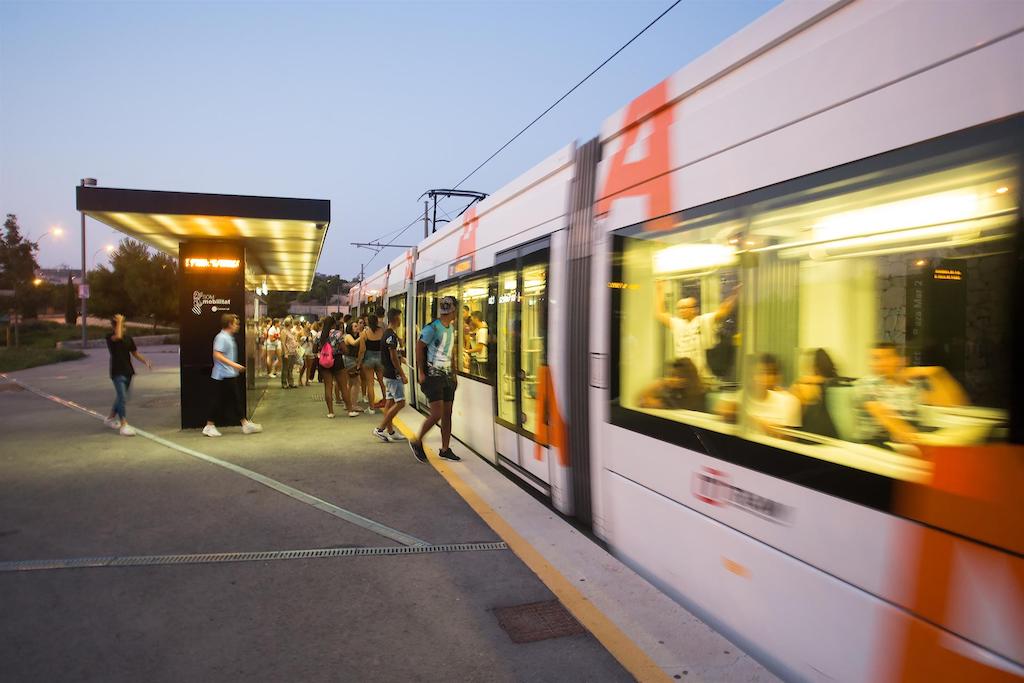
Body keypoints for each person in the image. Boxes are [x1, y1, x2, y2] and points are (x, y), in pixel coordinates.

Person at [854, 343, 968, 446]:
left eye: (886, 357)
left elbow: (950, 404)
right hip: (878, 440)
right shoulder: (867, 383)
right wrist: (918, 440)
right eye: (875, 358)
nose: (878, 363)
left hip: (911, 437)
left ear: (901, 360)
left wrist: (936, 372)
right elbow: (885, 418)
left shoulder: (915, 384)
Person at [409, 296, 462, 463]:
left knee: (447, 413)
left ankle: (445, 449)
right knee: (437, 413)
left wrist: (453, 372)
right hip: (433, 376)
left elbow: (450, 352)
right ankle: (417, 441)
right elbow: (419, 346)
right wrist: (421, 372)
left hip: (447, 376)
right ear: (452, 310)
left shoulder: (450, 328)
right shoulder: (432, 328)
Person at [655, 280, 739, 380]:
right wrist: (659, 289)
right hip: (683, 376)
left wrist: (735, 294)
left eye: (685, 307)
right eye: (680, 308)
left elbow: (723, 310)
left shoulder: (704, 320)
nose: (682, 311)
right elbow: (660, 314)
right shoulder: (677, 324)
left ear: (694, 309)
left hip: (703, 377)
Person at [203, 313, 262, 437]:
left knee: (234, 400)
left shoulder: (228, 337)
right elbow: (217, 355)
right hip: (221, 375)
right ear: (229, 324)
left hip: (228, 374)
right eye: (236, 323)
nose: (238, 326)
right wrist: (235, 365)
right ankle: (209, 426)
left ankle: (245, 424)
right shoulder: (221, 337)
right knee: (219, 401)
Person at [104, 314, 153, 437]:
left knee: (122, 397)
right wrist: (119, 320)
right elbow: (118, 336)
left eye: (123, 325)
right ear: (115, 327)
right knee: (122, 397)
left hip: (128, 371)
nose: (123, 327)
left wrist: (145, 361)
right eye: (121, 325)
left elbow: (135, 353)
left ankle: (109, 418)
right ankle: (124, 425)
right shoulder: (110, 337)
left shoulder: (128, 339)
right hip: (117, 372)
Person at [374, 308, 408, 442]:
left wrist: (400, 357)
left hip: (386, 374)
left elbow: (393, 355)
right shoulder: (391, 337)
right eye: (400, 318)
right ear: (395, 319)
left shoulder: (387, 334)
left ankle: (391, 431)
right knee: (401, 403)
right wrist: (402, 374)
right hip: (393, 375)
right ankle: (380, 429)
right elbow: (393, 358)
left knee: (390, 402)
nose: (401, 320)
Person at [790, 348, 840, 438]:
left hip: (811, 435)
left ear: (815, 366)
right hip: (830, 435)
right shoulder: (835, 383)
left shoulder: (804, 385)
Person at [319, 316, 358, 418]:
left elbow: (315, 349)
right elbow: (344, 349)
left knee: (328, 387)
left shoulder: (320, 335)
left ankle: (331, 412)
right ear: (333, 324)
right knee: (343, 386)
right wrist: (343, 350)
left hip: (324, 361)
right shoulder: (337, 334)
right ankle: (350, 410)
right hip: (337, 361)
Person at [637, 357, 705, 411]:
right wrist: (661, 382)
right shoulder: (669, 390)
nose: (674, 379)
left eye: (680, 376)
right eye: (672, 375)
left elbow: (680, 409)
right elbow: (640, 400)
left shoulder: (698, 393)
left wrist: (660, 405)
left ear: (689, 377)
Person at [358, 314, 387, 413]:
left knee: (370, 383)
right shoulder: (382, 332)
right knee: (382, 382)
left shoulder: (364, 333)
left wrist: (359, 362)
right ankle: (386, 401)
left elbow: (362, 350)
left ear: (368, 323)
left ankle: (371, 408)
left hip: (368, 359)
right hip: (380, 359)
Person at [279, 317, 298, 388]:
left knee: (290, 368)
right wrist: (285, 353)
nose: (293, 324)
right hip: (287, 353)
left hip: (292, 352)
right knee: (285, 368)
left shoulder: (290, 331)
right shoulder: (284, 331)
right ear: (289, 323)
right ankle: (284, 383)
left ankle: (291, 382)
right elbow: (283, 343)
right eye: (292, 323)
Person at [468, 310, 488, 377]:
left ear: (476, 319)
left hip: (482, 358)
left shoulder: (482, 331)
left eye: (472, 319)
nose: (471, 321)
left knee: (482, 377)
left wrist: (467, 351)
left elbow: (479, 348)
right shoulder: (479, 330)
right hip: (480, 358)